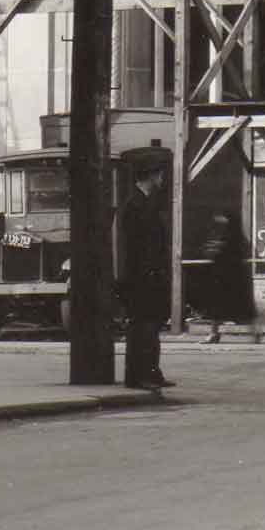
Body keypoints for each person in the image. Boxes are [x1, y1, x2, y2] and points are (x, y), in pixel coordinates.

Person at [117, 156, 173, 390]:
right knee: (141, 327)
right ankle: (137, 376)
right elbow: (133, 248)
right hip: (140, 278)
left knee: (151, 326)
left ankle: (151, 372)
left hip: (150, 276)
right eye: (159, 174)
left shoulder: (146, 203)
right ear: (150, 176)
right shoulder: (134, 206)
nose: (162, 178)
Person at [199, 210, 261, 344]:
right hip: (229, 276)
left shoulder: (230, 238)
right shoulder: (232, 237)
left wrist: (214, 251)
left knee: (221, 305)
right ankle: (254, 333)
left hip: (229, 276)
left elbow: (221, 254)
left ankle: (215, 334)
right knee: (232, 306)